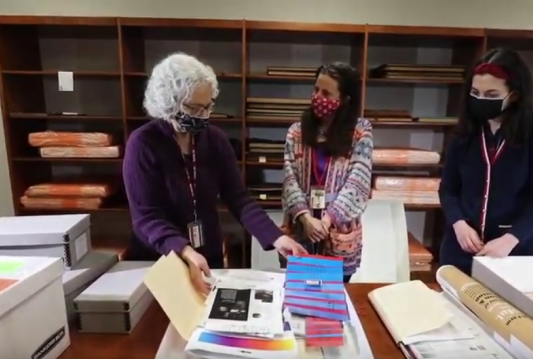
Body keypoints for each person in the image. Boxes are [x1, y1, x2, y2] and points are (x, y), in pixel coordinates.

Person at [123, 53, 306, 293]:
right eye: (194, 108)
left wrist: (276, 237)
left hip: (206, 257)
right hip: (160, 259)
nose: (203, 116)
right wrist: (185, 250)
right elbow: (146, 218)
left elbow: (239, 198)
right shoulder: (143, 144)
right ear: (169, 102)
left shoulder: (215, 140)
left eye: (208, 106)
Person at [439, 48, 533, 275]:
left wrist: (511, 239)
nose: (481, 100)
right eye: (475, 92)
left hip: (515, 252)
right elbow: (448, 189)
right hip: (462, 248)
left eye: (492, 95)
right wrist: (458, 223)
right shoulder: (467, 130)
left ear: (513, 95)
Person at [281, 62, 373, 283]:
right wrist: (305, 217)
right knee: (299, 301)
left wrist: (327, 219)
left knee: (331, 305)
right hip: (301, 228)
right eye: (315, 90)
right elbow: (289, 178)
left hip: (338, 232)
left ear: (344, 99)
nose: (317, 97)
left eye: (326, 93)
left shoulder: (360, 132)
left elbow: (358, 182)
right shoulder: (296, 132)